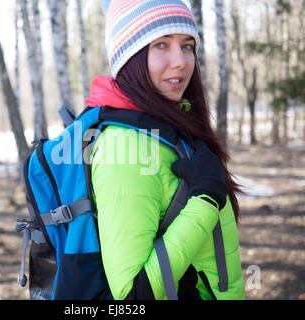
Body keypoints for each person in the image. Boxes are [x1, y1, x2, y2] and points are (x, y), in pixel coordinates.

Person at [83, 0, 245, 300]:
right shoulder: (125, 147)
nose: (181, 60)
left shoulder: (173, 126)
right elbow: (132, 296)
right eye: (160, 44)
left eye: (187, 45)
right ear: (128, 57)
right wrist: (206, 200)